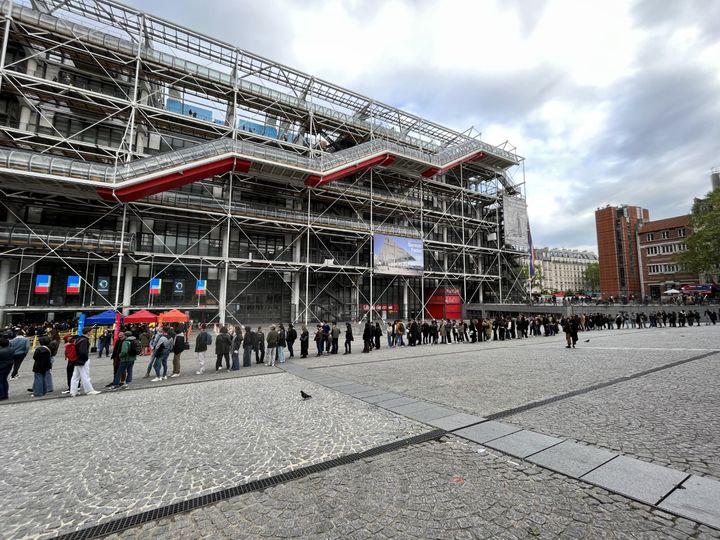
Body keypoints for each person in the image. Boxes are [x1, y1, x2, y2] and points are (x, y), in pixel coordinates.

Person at [69, 332, 100, 397]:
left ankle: (73, 391)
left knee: (75, 376)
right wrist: (85, 359)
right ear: (88, 332)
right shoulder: (84, 340)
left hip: (76, 359)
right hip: (82, 360)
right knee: (85, 375)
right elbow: (83, 352)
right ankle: (89, 390)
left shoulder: (77, 339)